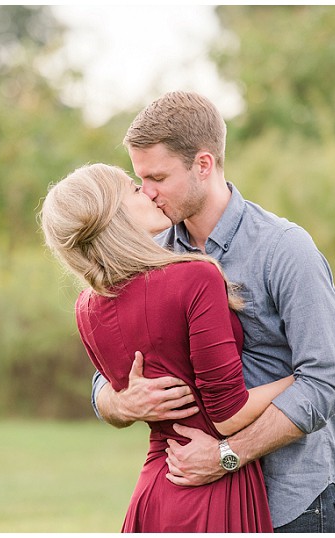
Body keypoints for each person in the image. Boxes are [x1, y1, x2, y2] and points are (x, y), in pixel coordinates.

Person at [91, 91, 335, 533]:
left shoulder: (284, 250)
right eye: (141, 179)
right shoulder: (151, 257)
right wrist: (120, 401)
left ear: (204, 165)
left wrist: (228, 454)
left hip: (294, 503)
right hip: (204, 507)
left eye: (158, 177)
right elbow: (102, 379)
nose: (146, 193)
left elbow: (326, 381)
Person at [41, 163, 295, 532]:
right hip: (210, 488)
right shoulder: (195, 277)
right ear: (116, 217)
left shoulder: (87, 308)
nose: (147, 193)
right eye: (133, 189)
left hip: (155, 486)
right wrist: (299, 379)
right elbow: (228, 414)